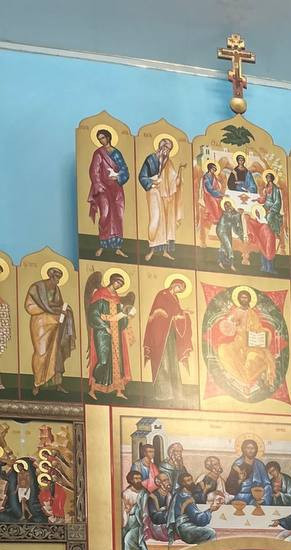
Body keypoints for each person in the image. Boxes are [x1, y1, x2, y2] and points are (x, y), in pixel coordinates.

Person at [24, 267, 76, 396]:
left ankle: (57, 383)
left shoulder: (56, 289)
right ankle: (37, 383)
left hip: (55, 323)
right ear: (50, 276)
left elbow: (59, 305)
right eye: (56, 277)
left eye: (59, 278)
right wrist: (49, 309)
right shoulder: (36, 288)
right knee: (41, 353)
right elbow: (29, 307)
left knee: (57, 352)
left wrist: (64, 310)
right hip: (41, 323)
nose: (57, 280)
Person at [143, 277, 192, 401]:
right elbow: (159, 313)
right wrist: (175, 316)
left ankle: (175, 393)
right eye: (179, 287)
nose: (179, 290)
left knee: (172, 362)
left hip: (170, 334)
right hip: (160, 334)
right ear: (174, 284)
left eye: (181, 290)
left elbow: (175, 312)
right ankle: (163, 393)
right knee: (162, 361)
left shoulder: (175, 298)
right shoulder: (162, 294)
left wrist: (183, 313)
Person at [86, 272, 133, 398]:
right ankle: (92, 389)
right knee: (103, 360)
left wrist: (125, 316)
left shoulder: (116, 298)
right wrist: (105, 326)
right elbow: (93, 314)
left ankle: (118, 390)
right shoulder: (99, 294)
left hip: (116, 333)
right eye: (118, 282)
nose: (118, 285)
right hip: (102, 332)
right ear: (112, 281)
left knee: (117, 361)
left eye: (121, 284)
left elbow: (120, 319)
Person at [138, 135, 182, 262]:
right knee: (156, 220)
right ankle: (151, 250)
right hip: (153, 192)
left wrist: (179, 173)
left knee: (167, 223)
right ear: (161, 147)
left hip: (166, 196)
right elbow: (142, 177)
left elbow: (173, 180)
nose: (167, 151)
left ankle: (165, 252)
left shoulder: (168, 162)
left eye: (169, 149)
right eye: (166, 148)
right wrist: (152, 182)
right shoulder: (151, 159)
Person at [87, 128, 129, 256]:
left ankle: (117, 247)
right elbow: (94, 171)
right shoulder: (98, 153)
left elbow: (124, 170)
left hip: (117, 188)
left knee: (118, 216)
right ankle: (102, 245)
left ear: (108, 137)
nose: (101, 140)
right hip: (104, 188)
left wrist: (118, 176)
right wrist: (98, 185)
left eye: (103, 138)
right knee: (105, 215)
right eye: (99, 139)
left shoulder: (116, 153)